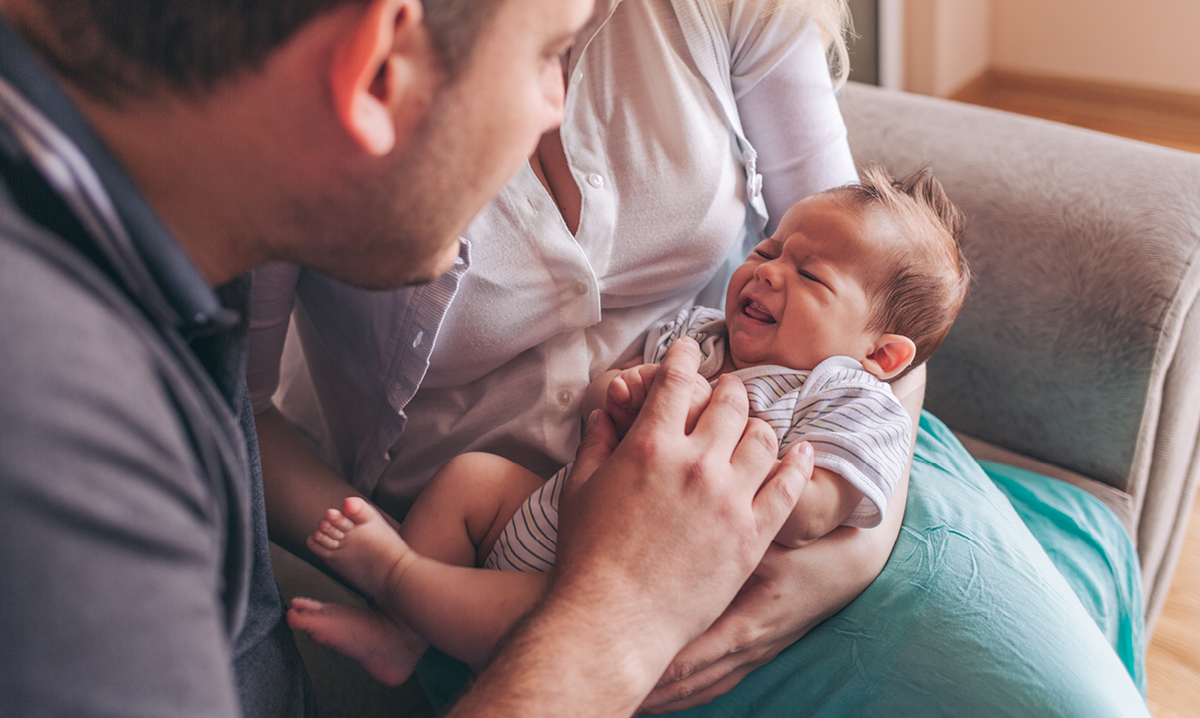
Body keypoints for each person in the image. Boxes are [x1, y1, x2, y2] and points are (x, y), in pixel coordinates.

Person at [0, 0, 812, 716]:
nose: (557, 107)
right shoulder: (53, 432)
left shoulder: (139, 252)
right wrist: (625, 610)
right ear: (378, 68)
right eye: (546, 57)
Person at [247, 0, 923, 709]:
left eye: (803, 271)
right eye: (768, 250)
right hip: (499, 521)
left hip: (728, 530)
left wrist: (837, 568)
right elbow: (238, 402)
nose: (552, 103)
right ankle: (403, 614)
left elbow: (877, 311)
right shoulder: (310, 55)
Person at [283, 165, 969, 682]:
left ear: (881, 354)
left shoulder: (844, 393)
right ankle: (400, 636)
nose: (766, 273)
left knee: (540, 621)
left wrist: (736, 451)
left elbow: (821, 509)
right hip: (559, 507)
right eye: (766, 252)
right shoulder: (699, 336)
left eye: (810, 275)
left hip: (633, 572)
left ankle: (402, 578)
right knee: (471, 479)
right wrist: (622, 391)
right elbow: (596, 404)